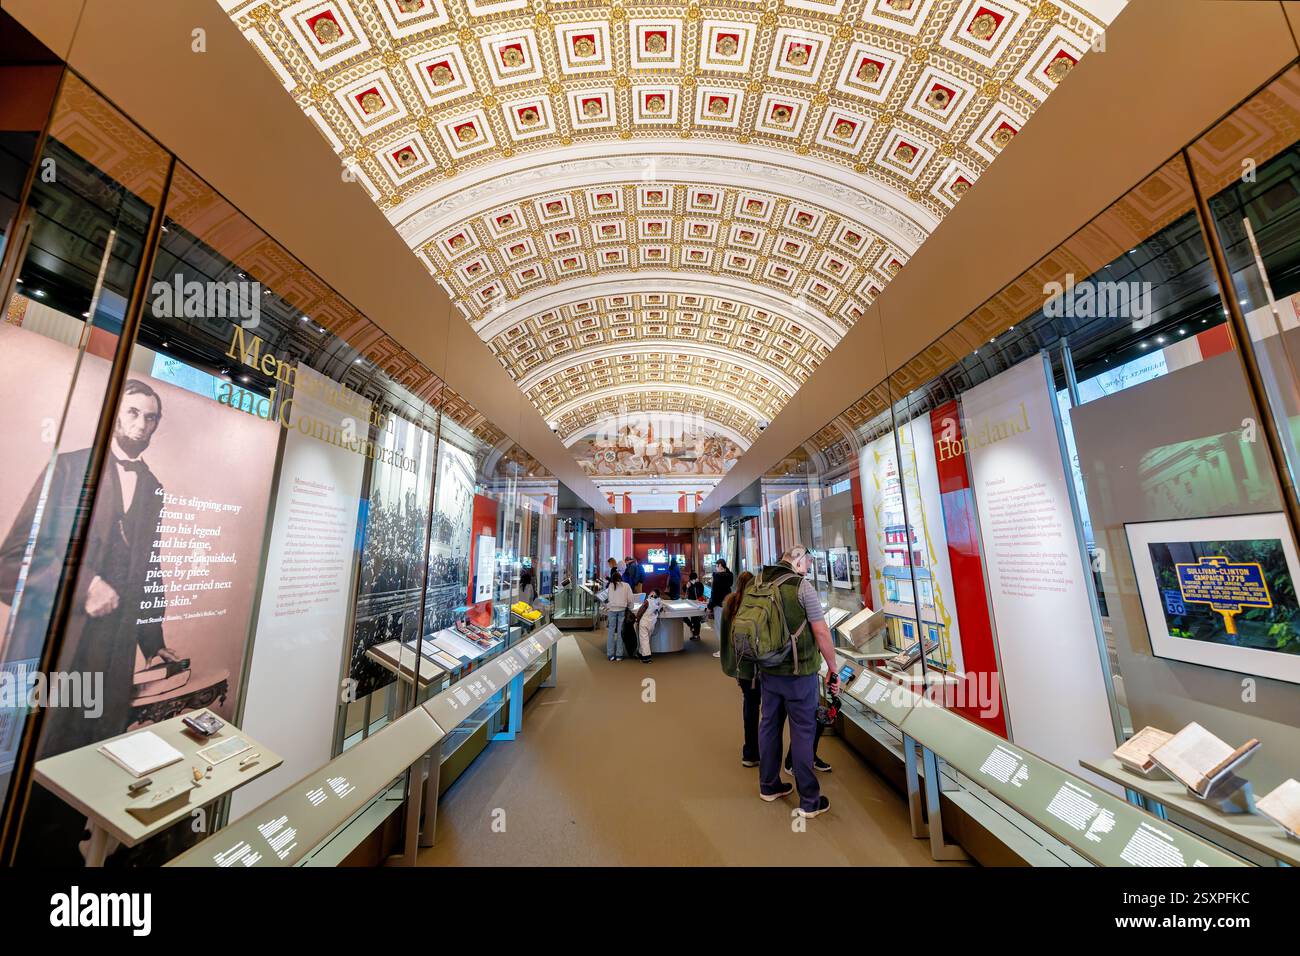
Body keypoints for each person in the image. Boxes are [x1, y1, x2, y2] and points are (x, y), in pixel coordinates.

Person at [0, 379, 182, 757]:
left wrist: (153, 643)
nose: (141, 424)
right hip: (55, 647)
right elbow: (11, 561)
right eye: (132, 412)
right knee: (32, 759)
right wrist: (84, 587)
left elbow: (148, 567)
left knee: (87, 769)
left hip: (112, 657)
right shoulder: (68, 468)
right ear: (114, 415)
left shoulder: (153, 487)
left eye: (151, 418)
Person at [753, 545, 839, 818]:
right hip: (799, 674)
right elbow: (821, 632)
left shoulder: (761, 581)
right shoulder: (802, 587)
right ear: (798, 561)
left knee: (768, 725)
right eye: (809, 562)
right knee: (803, 731)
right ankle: (810, 802)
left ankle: (768, 785)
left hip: (769, 670)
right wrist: (833, 667)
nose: (810, 567)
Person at [718, 571, 758, 766]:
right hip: (760, 665)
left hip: (741, 666)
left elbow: (725, 636)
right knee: (769, 709)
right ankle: (766, 750)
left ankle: (750, 752)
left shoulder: (730, 603)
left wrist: (730, 663)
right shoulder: (756, 606)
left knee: (749, 705)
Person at [604, 570, 634, 661]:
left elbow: (608, 598)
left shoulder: (610, 586)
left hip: (611, 610)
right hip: (622, 610)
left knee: (611, 632)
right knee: (621, 632)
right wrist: (630, 607)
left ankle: (610, 654)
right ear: (621, 578)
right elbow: (630, 599)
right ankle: (619, 655)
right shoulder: (626, 585)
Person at [707, 558, 733, 658]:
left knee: (719, 628)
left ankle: (723, 651)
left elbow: (714, 594)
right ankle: (729, 649)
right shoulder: (730, 576)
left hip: (719, 605)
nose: (716, 568)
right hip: (728, 604)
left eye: (716, 566)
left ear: (720, 566)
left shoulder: (717, 577)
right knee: (727, 627)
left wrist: (709, 606)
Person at [634, 588, 662, 663]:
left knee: (644, 640)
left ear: (653, 593)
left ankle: (646, 658)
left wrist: (637, 619)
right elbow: (660, 610)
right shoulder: (659, 602)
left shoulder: (648, 601)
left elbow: (641, 611)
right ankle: (640, 653)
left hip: (644, 623)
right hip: (652, 623)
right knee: (646, 640)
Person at [684, 569, 705, 640]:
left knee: (695, 619)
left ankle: (696, 634)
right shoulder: (689, 584)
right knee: (688, 617)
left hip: (696, 603)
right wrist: (688, 586)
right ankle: (693, 629)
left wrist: (693, 585)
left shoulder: (698, 584)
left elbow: (699, 594)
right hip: (690, 603)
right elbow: (684, 590)